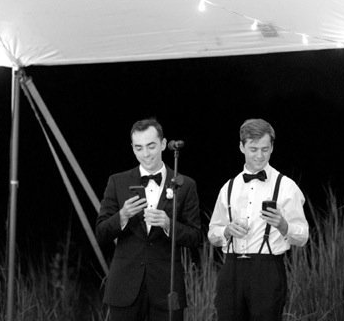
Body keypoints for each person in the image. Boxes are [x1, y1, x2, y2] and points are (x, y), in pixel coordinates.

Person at [95, 118, 202, 321]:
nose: (145, 154)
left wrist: (169, 224)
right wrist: (123, 216)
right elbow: (100, 233)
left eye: (151, 146)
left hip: (167, 289)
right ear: (133, 149)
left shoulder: (185, 184)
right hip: (124, 288)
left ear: (163, 144)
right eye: (139, 148)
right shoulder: (117, 181)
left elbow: (196, 237)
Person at [208, 118, 309, 321]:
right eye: (253, 149)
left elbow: (303, 236)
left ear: (272, 147)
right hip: (231, 270)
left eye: (265, 149)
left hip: (268, 270)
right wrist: (226, 231)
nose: (259, 156)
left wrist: (283, 225)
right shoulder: (228, 187)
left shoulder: (287, 186)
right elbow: (212, 234)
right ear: (241, 147)